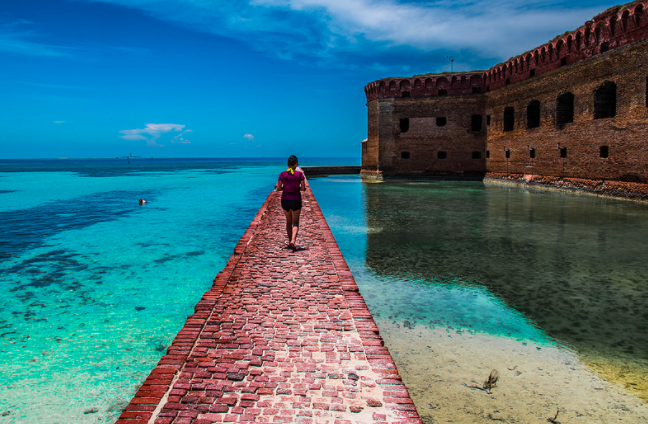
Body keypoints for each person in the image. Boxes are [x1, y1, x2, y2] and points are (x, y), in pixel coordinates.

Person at [276, 155, 306, 251]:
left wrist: (286, 188)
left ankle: (289, 241)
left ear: (287, 164)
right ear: (296, 164)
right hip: (296, 199)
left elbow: (279, 188)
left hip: (285, 199)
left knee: (288, 221)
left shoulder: (282, 174)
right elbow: (303, 188)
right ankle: (293, 240)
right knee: (295, 222)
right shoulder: (300, 174)